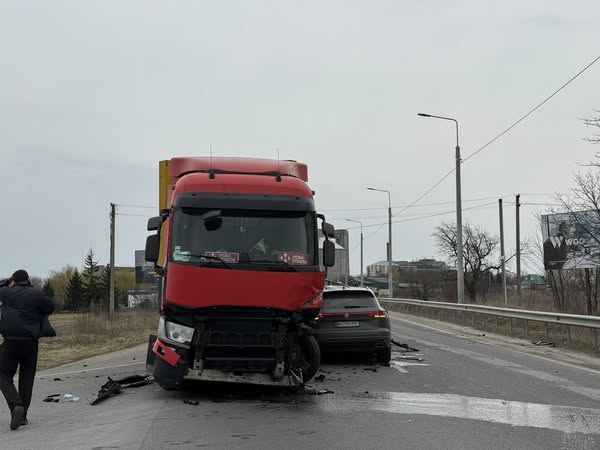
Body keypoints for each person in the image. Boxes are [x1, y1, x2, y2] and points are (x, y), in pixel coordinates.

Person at [0, 270, 54, 430]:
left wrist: (6, 282)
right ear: (28, 280)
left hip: (10, 341)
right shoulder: (37, 294)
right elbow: (50, 307)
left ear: (14, 280)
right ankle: (22, 415)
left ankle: (15, 406)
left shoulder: (6, 292)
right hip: (30, 342)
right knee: (27, 378)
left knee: (3, 375)